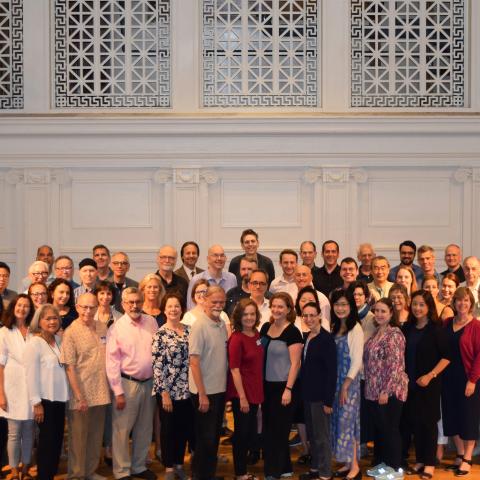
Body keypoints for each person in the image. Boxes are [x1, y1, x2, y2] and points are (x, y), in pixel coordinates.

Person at [106, 287, 158, 480]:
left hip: (149, 383)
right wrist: (118, 391)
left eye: (138, 301)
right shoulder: (116, 328)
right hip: (127, 384)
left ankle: (138, 466)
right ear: (123, 304)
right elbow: (111, 362)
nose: (135, 305)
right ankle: (121, 471)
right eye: (130, 302)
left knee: (145, 428)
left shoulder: (151, 322)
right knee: (122, 430)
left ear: (142, 302)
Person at [61, 292, 110, 480]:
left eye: (92, 307)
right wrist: (79, 396)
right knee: (78, 439)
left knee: (95, 436)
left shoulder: (102, 327)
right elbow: (69, 367)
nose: (88, 311)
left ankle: (90, 472)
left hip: (101, 391)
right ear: (77, 307)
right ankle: (76, 475)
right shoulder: (71, 332)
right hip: (80, 394)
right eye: (84, 307)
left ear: (97, 307)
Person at [403, 290, 450, 480]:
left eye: (422, 304)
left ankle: (430, 463)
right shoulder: (408, 328)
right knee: (415, 423)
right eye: (415, 304)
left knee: (429, 424)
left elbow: (447, 357)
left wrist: (430, 376)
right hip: (411, 385)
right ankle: (420, 460)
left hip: (429, 385)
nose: (417, 308)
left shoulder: (436, 329)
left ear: (429, 307)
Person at [363, 298, 408, 477]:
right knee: (380, 431)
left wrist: (385, 390)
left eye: (383, 311)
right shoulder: (376, 333)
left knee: (391, 430)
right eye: (377, 311)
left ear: (391, 313)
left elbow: (396, 365)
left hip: (390, 391)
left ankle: (395, 468)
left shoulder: (394, 334)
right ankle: (383, 464)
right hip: (374, 390)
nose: (379, 314)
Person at [260, 292, 302, 480]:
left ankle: (273, 472)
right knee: (270, 428)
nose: (276, 309)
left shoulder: (293, 332)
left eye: (281, 307)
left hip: (283, 388)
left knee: (278, 431)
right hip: (266, 387)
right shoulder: (265, 327)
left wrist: (288, 389)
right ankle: (285, 468)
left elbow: (296, 363)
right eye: (274, 306)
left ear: (288, 310)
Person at [24, 304, 69, 480]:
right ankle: (44, 476)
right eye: (48, 318)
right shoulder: (34, 343)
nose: (52, 321)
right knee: (46, 444)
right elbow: (30, 375)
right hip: (45, 401)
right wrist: (36, 403)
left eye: (55, 318)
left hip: (59, 400)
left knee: (56, 443)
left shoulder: (58, 340)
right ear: (39, 321)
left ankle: (49, 475)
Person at [188, 286, 229, 480]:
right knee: (205, 439)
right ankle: (199, 476)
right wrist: (202, 394)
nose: (218, 306)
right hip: (204, 393)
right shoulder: (199, 326)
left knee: (213, 438)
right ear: (204, 300)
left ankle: (207, 474)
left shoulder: (221, 324)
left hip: (219, 390)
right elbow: (194, 362)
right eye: (215, 302)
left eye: (222, 302)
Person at [152, 292, 193, 480]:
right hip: (168, 391)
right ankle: (168, 467)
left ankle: (178, 463)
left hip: (187, 390)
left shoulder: (189, 331)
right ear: (164, 309)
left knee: (184, 428)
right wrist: (164, 393)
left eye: (177, 306)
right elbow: (158, 365)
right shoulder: (160, 334)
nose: (173, 309)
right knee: (168, 429)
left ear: (181, 309)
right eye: (170, 306)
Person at [441, 287, 480, 476]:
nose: (462, 304)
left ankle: (468, 458)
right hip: (447, 378)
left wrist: (472, 380)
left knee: (468, 418)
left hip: (467, 378)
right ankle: (460, 453)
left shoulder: (476, 326)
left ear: (471, 304)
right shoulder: (447, 323)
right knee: (451, 417)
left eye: (466, 300)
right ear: (454, 303)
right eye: (458, 300)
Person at [226, 298, 264, 480]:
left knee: (249, 432)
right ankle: (240, 473)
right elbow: (234, 369)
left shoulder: (256, 334)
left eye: (252, 314)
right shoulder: (236, 338)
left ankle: (243, 470)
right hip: (242, 393)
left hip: (255, 390)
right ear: (239, 316)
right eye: (245, 314)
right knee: (241, 435)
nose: (249, 317)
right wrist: (242, 397)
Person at [300, 302, 337, 480]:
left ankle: (325, 473)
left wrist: (328, 401)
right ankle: (315, 468)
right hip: (308, 395)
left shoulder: (326, 339)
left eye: (312, 315)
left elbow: (332, 373)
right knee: (312, 435)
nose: (309, 319)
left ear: (319, 315)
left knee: (322, 437)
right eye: (305, 316)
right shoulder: (307, 336)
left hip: (321, 398)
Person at [0, 294, 35, 480]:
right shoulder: (4, 332)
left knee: (29, 431)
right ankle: (14, 470)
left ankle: (26, 467)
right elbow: (0, 365)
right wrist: (1, 394)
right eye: (19, 305)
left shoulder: (33, 331)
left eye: (26, 306)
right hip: (11, 387)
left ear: (30, 310)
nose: (22, 309)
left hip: (31, 388)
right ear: (13, 307)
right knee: (13, 433)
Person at [329, 289, 363, 480]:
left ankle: (355, 466)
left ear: (351, 306)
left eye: (344, 304)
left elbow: (357, 360)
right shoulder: (335, 326)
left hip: (348, 383)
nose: (340, 308)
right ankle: (348, 462)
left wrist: (345, 385)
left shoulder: (355, 328)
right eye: (337, 305)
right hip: (335, 382)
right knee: (339, 422)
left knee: (348, 423)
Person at [187, 245, 237, 310]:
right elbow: (191, 307)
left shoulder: (232, 278)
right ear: (208, 259)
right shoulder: (196, 279)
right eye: (215, 255)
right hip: (202, 319)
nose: (219, 258)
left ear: (225, 258)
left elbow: (234, 306)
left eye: (222, 255)